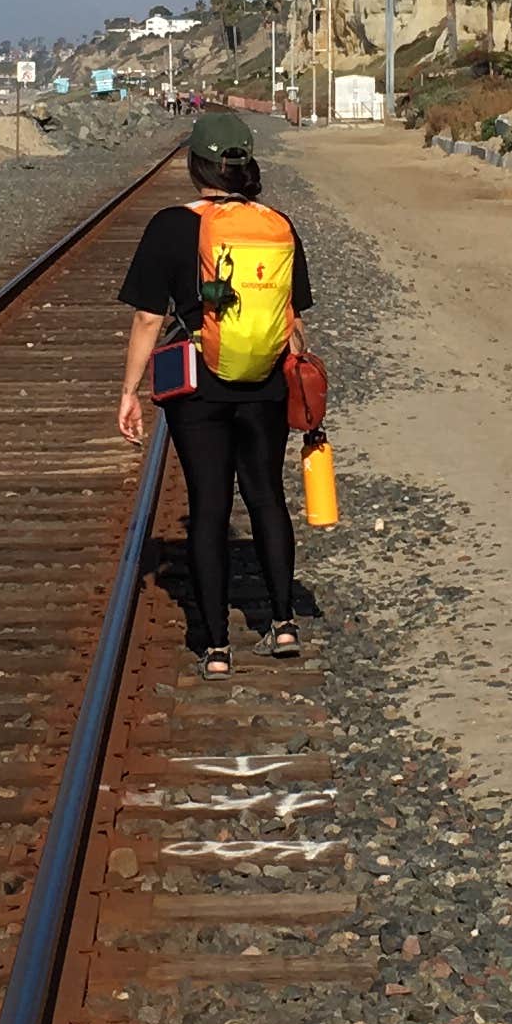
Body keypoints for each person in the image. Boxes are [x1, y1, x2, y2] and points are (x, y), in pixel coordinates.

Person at [115, 107, 316, 677]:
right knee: (266, 496)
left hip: (198, 388)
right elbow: (293, 317)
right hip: (268, 381)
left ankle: (217, 648)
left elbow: (149, 321)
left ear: (195, 165)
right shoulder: (277, 225)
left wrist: (130, 390)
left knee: (208, 506)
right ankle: (282, 624)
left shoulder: (170, 225)